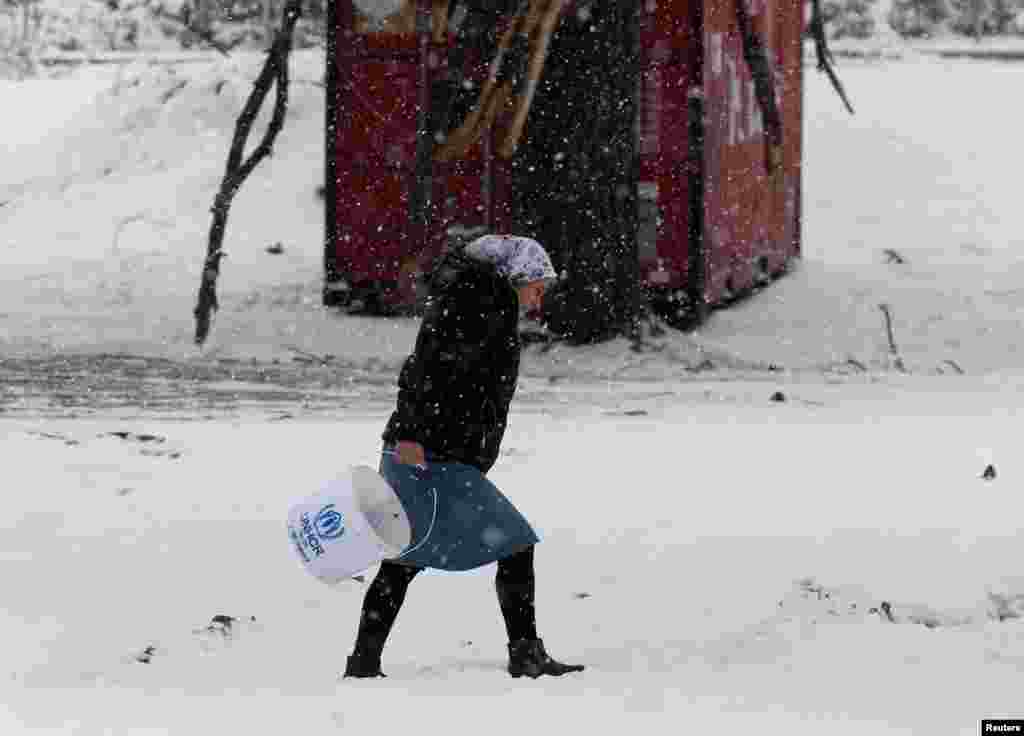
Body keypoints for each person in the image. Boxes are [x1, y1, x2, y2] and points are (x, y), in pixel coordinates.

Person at [344, 234, 584, 680]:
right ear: (517, 277)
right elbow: (426, 369)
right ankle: (525, 654)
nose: (538, 298)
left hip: (440, 452)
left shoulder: (480, 299)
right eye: (537, 286)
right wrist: (412, 435)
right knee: (513, 543)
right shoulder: (477, 301)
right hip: (431, 453)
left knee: (405, 557)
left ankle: (362, 664)